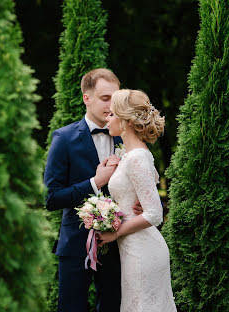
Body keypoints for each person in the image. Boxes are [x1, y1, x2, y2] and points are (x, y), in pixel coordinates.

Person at [44, 68, 142, 312]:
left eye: (116, 97)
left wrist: (137, 203)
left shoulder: (126, 138)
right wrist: (94, 183)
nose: (112, 105)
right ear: (86, 98)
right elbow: (52, 198)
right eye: (105, 98)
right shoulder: (64, 138)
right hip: (76, 245)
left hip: (119, 244)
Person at [99, 89, 177, 312]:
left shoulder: (137, 158)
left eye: (112, 114)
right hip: (133, 248)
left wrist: (115, 232)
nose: (107, 118)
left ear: (126, 121)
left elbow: (154, 213)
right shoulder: (131, 155)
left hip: (143, 250)